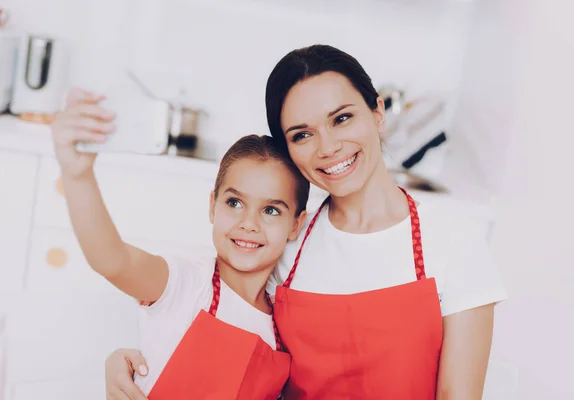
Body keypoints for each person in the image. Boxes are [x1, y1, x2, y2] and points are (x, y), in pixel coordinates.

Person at [105, 44, 507, 400]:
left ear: (378, 112)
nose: (329, 147)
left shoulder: (454, 241)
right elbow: (200, 320)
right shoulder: (284, 241)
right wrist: (133, 366)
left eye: (342, 118)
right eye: (301, 135)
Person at [50, 94, 309, 400]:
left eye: (271, 210)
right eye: (234, 202)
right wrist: (78, 175)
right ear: (213, 206)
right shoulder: (185, 282)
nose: (248, 223)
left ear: (296, 224)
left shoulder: (284, 328)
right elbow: (113, 261)